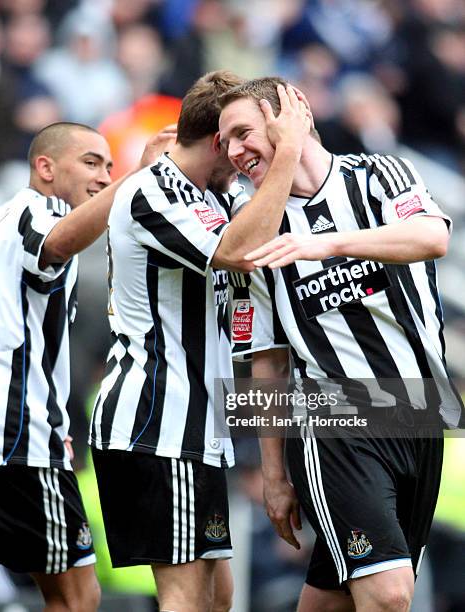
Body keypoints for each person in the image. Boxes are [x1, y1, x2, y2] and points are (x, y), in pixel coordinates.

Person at [0, 121, 175, 611]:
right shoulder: (39, 208)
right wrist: (137, 177)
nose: (103, 176)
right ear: (45, 168)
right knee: (75, 595)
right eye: (91, 163)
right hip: (7, 429)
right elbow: (57, 242)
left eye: (109, 166)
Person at [218, 77, 464, 612]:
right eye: (226, 144)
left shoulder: (380, 172)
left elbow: (433, 237)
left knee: (335, 600)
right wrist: (275, 474)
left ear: (294, 112)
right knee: (390, 593)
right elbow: (267, 357)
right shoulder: (253, 230)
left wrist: (323, 244)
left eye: (243, 132)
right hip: (336, 415)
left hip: (419, 411)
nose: (235, 152)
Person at [89, 71, 311, 612]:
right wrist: (285, 156)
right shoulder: (155, 189)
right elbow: (237, 252)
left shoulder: (210, 197)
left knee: (218, 598)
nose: (242, 161)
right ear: (219, 141)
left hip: (195, 427)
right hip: (158, 419)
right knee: (187, 600)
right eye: (237, 142)